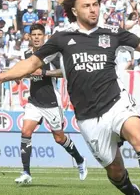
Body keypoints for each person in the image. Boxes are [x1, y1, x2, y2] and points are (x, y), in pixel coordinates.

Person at [0, 0, 140, 195]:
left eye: (95, 4)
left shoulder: (112, 32)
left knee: (139, 137)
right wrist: (2, 77)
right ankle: (131, 191)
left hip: (116, 101)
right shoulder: (61, 38)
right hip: (87, 116)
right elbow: (31, 63)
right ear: (74, 11)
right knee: (115, 171)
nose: (93, 9)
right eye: (86, 6)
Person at [14, 24, 87, 184]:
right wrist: (17, 75)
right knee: (26, 132)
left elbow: (65, 72)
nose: (36, 37)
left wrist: (45, 72)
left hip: (51, 103)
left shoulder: (52, 55)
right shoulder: (27, 54)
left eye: (39, 34)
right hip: (34, 101)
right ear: (30, 37)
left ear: (44, 36)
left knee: (59, 138)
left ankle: (80, 160)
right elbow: (23, 69)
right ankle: (26, 172)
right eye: (34, 34)